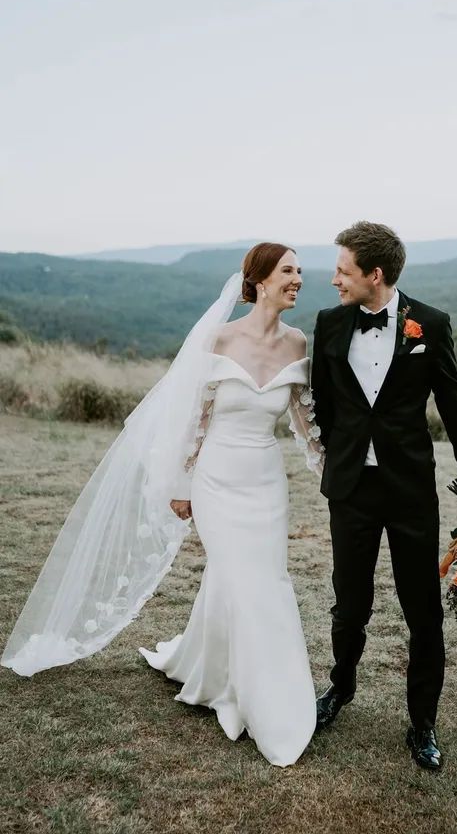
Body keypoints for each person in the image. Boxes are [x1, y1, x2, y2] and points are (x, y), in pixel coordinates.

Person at [2, 243, 323, 768]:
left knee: (262, 577)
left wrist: (333, 472)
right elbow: (195, 419)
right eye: (289, 271)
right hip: (217, 480)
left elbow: (305, 422)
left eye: (300, 272)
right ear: (259, 280)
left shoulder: (297, 342)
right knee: (245, 582)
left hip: (266, 483)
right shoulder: (220, 339)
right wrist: (183, 483)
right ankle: (269, 703)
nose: (298, 279)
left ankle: (208, 667)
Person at [311, 221, 457, 772]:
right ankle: (340, 689)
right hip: (351, 490)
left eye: (343, 270)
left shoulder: (429, 326)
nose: (334, 278)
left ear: (375, 275)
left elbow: (455, 408)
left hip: (410, 490)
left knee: (423, 611)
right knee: (350, 602)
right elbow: (324, 399)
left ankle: (423, 723)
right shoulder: (329, 322)